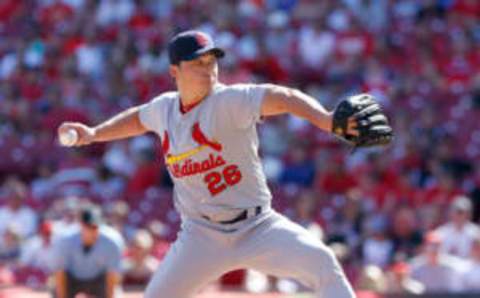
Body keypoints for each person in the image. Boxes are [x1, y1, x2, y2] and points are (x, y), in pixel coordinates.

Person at [58, 30, 390, 298]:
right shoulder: (165, 108)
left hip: (257, 227)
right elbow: (139, 118)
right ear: (174, 71)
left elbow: (283, 98)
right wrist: (94, 133)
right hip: (200, 236)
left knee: (323, 264)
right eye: (197, 63)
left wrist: (326, 119)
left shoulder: (228, 100)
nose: (208, 68)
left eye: (211, 60)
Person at [52, 205, 125, 298]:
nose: (93, 231)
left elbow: (112, 276)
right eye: (90, 226)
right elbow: (60, 273)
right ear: (81, 225)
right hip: (72, 279)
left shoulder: (112, 241)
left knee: (117, 295)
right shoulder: (65, 240)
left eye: (96, 227)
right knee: (54, 289)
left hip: (99, 279)